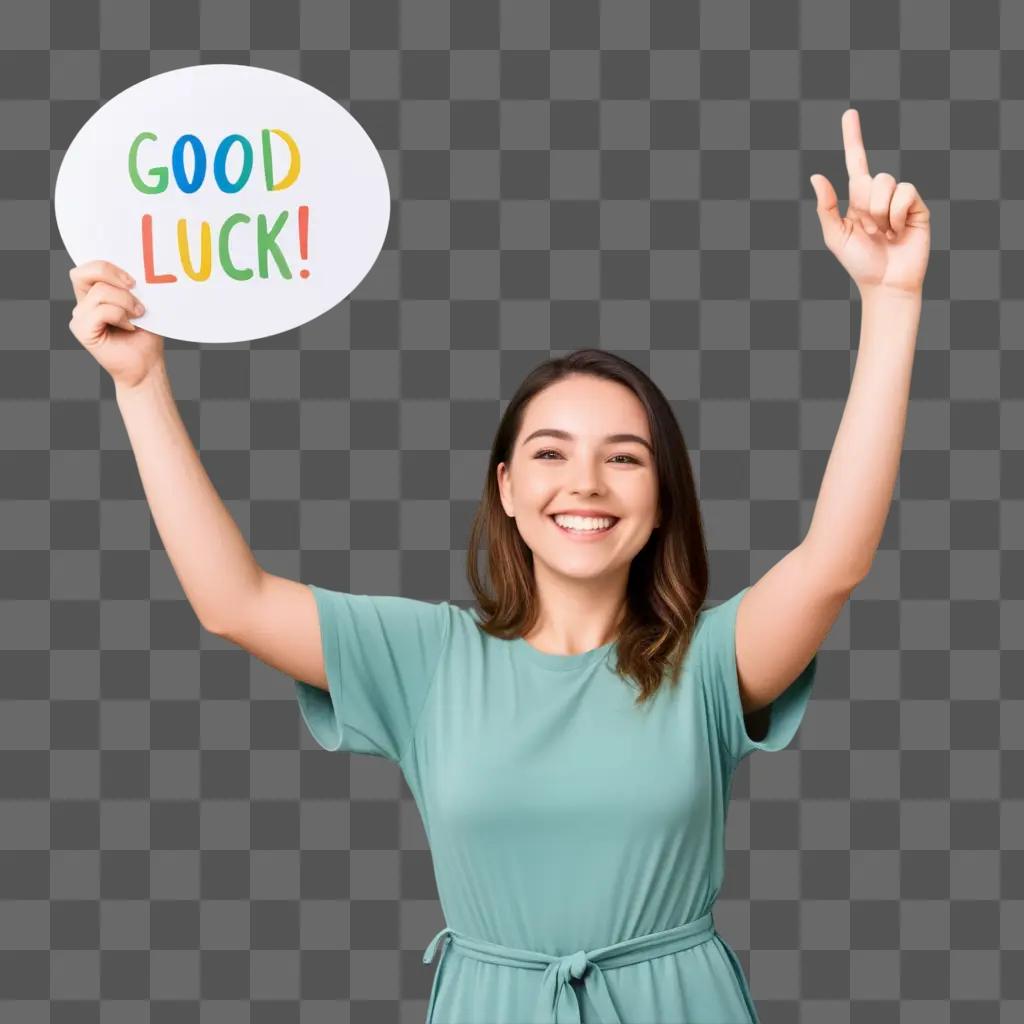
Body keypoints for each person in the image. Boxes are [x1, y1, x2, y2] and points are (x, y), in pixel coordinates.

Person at [67, 106, 928, 1023]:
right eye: (551, 455)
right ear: (508, 490)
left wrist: (891, 301)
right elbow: (232, 601)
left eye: (625, 457)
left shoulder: (710, 666)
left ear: (663, 496)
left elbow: (834, 560)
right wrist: (141, 384)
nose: (585, 485)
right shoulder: (429, 660)